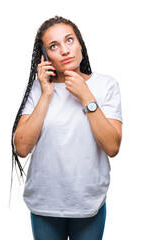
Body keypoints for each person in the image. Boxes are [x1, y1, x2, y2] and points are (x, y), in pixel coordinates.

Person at [11, 16, 123, 240]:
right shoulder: (37, 90)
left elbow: (112, 146)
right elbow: (22, 148)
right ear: (45, 55)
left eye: (69, 40)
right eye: (54, 46)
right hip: (45, 203)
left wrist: (85, 95)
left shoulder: (105, 85)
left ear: (80, 44)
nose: (64, 50)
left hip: (88, 202)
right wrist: (46, 94)